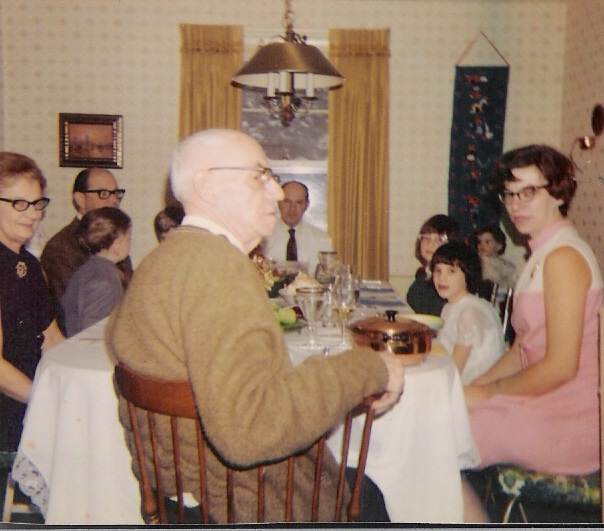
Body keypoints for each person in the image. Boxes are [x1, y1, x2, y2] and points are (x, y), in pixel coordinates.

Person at [106, 129, 405, 523]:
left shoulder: (162, 260)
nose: (278, 193)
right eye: (260, 176)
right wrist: (372, 367)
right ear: (207, 186)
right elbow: (251, 430)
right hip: (244, 501)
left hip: (182, 494)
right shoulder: (221, 270)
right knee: (372, 493)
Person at [462, 144, 604, 517]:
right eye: (509, 194)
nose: (515, 204)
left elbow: (560, 367)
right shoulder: (541, 253)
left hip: (566, 423)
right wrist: (474, 388)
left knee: (436, 435)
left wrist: (488, 392)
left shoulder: (564, 258)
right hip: (546, 404)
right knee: (445, 418)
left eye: (529, 192)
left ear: (558, 192)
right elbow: (523, 347)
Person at [0, 152, 64, 451]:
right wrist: (49, 401)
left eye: (38, 203)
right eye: (19, 203)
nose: (34, 213)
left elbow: (51, 339)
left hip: (28, 399)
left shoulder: (28, 264)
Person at [40, 167, 133, 303]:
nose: (115, 200)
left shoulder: (117, 237)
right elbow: (69, 310)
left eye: (116, 193)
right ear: (80, 200)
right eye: (104, 193)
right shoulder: (60, 248)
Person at [431, 241, 505, 385]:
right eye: (437, 270)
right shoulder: (450, 306)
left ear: (468, 273)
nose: (441, 278)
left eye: (451, 271)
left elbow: (456, 370)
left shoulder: (470, 312)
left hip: (476, 387)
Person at [61, 207, 132, 338]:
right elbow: (91, 333)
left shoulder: (88, 269)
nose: (130, 243)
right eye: (128, 238)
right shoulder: (104, 281)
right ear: (116, 245)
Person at [262, 180, 332, 275]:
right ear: (278, 203)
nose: (292, 209)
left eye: (299, 203)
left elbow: (327, 277)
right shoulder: (262, 236)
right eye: (287, 202)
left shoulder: (322, 239)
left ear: (306, 205)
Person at [406, 214, 460, 316]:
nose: (430, 244)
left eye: (439, 239)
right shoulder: (422, 278)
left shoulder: (448, 283)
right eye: (426, 237)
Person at [473, 223, 518, 290]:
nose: (482, 245)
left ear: (498, 246)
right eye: (479, 242)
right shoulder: (481, 260)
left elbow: (510, 271)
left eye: (487, 242)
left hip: (502, 290)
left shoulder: (502, 263)